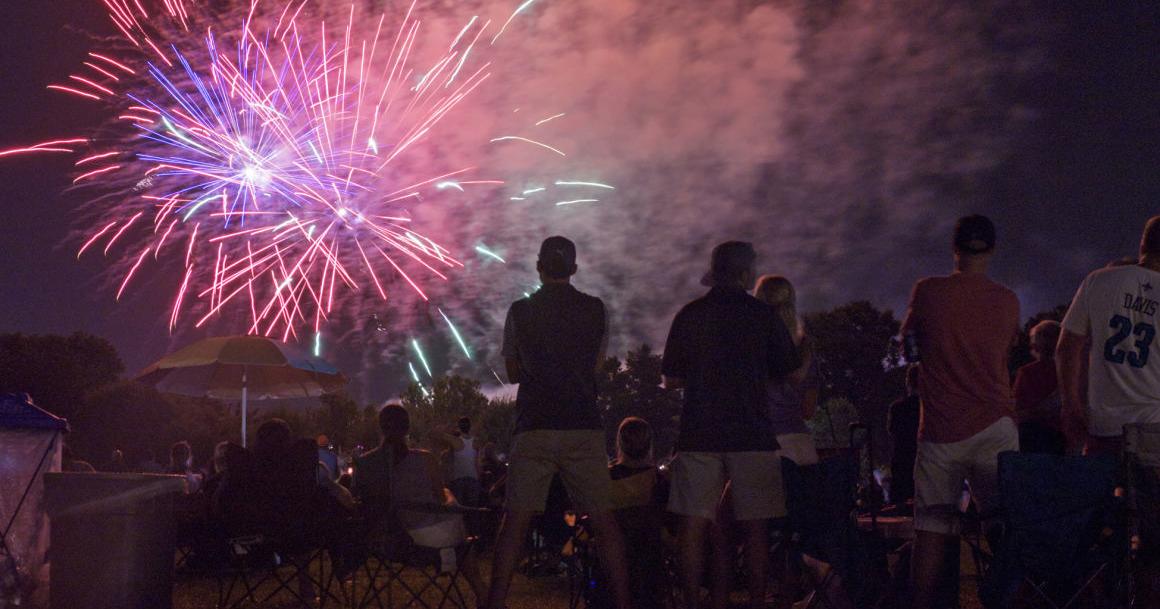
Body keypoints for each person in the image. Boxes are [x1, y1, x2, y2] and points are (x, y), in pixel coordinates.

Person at [488, 236, 632, 609]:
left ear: (538, 267)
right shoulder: (596, 309)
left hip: (535, 423)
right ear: (574, 269)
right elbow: (597, 366)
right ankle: (625, 601)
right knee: (604, 522)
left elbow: (513, 370)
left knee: (515, 522)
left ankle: (494, 602)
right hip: (583, 423)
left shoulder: (519, 311)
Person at [662, 241, 801, 609]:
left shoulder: (690, 315)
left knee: (693, 524)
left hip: (699, 431)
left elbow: (672, 378)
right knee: (756, 527)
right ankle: (756, 601)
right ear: (744, 273)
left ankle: (693, 601)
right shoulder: (761, 315)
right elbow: (786, 369)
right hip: (752, 431)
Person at [900, 214, 1020, 609]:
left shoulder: (928, 292)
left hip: (941, 427)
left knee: (932, 528)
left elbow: (908, 347)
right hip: (996, 424)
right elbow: (1003, 351)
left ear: (954, 249)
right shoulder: (1007, 299)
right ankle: (1008, 597)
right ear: (992, 249)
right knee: (1003, 523)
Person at [353, 404, 486, 602]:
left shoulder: (364, 463)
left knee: (452, 524)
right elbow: (441, 501)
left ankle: (478, 589)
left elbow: (359, 501)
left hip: (386, 539)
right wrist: (449, 496)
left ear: (381, 428)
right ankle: (483, 594)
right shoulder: (425, 459)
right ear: (407, 428)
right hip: (422, 540)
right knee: (457, 524)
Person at [1058, 215, 1160, 455]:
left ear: (1142, 245)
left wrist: (1070, 406)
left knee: (1101, 490)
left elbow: (1067, 347)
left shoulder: (1098, 280)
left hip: (1104, 425)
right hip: (1155, 424)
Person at [753, 274, 820, 466]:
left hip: (761, 448)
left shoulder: (749, 349)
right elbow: (808, 411)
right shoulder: (805, 350)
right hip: (800, 447)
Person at [1013, 320, 1066, 454]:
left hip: (1037, 440)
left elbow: (1018, 413)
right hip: (1067, 439)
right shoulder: (1073, 371)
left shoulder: (1027, 373)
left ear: (1035, 345)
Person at [887, 365, 921, 509]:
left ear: (908, 382)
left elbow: (892, 431)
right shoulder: (930, 408)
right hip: (923, 461)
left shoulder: (897, 408)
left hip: (902, 464)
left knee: (900, 508)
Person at [430, 417, 482, 508]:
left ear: (459, 427)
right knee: (473, 509)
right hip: (473, 478)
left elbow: (437, 433)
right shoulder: (476, 442)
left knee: (459, 508)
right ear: (469, 427)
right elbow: (477, 463)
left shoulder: (456, 441)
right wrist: (479, 478)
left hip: (459, 478)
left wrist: (447, 426)